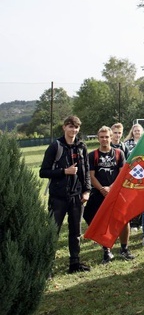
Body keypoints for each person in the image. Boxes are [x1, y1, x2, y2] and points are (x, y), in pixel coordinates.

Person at [40, 115, 91, 274]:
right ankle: (47, 267)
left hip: (77, 197)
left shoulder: (81, 147)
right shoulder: (55, 146)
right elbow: (43, 172)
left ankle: (74, 263)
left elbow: (86, 171)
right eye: (70, 126)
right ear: (64, 127)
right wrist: (64, 171)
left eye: (76, 127)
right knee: (53, 232)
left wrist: (87, 190)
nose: (73, 130)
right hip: (58, 197)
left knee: (76, 232)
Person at [84, 126, 134, 263]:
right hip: (99, 194)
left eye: (107, 137)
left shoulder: (119, 153)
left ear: (111, 137)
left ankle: (124, 249)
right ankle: (106, 250)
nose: (104, 139)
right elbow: (91, 176)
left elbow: (122, 173)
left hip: (116, 193)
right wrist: (102, 189)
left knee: (124, 220)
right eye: (102, 137)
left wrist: (111, 188)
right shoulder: (92, 155)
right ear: (98, 138)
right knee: (102, 222)